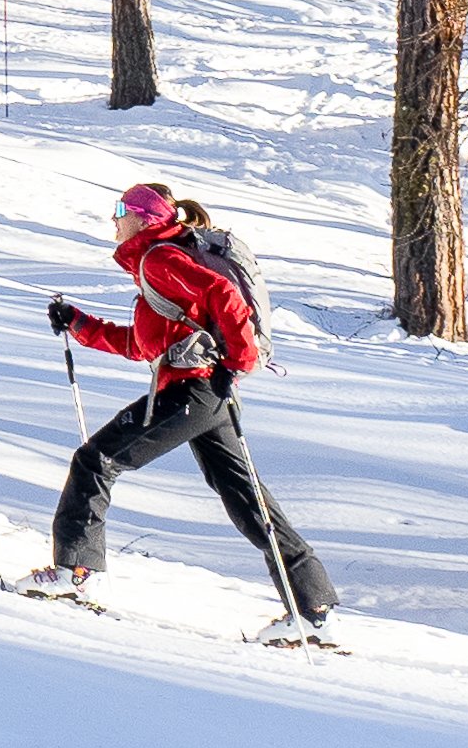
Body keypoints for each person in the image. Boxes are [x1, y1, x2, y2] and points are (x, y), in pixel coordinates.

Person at [23, 181, 339, 639]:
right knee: (248, 500)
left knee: (95, 461)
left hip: (193, 392)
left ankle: (74, 572)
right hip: (206, 391)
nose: (113, 218)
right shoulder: (158, 264)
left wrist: (238, 362)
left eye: (120, 209)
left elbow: (225, 298)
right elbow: (143, 345)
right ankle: (313, 608)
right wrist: (79, 324)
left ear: (144, 218)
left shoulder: (160, 259)